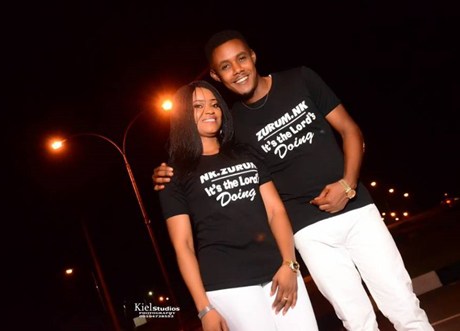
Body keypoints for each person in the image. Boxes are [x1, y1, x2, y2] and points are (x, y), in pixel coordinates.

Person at [153, 30, 433, 330]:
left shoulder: (301, 79)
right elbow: (202, 157)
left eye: (241, 59)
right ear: (216, 75)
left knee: (402, 303)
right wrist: (165, 170)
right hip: (308, 231)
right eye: (226, 67)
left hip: (357, 210)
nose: (237, 70)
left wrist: (348, 186)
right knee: (356, 319)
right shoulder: (235, 126)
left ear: (253, 56)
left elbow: (351, 132)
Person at [157, 80, 319, 331]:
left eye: (214, 104)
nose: (209, 110)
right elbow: (184, 245)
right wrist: (204, 308)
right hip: (227, 282)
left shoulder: (246, 154)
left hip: (279, 272)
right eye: (197, 106)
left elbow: (275, 211)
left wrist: (290, 263)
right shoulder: (173, 173)